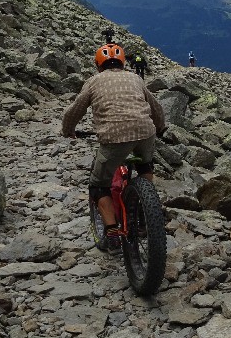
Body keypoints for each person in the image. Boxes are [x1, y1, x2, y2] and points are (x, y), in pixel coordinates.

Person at [61, 42, 166, 251]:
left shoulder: (93, 81)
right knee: (145, 165)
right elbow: (156, 108)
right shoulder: (135, 78)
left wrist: (68, 129)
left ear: (99, 65)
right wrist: (160, 128)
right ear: (123, 63)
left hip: (114, 137)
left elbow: (75, 110)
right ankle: (145, 212)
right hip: (145, 132)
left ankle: (111, 233)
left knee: (98, 185)